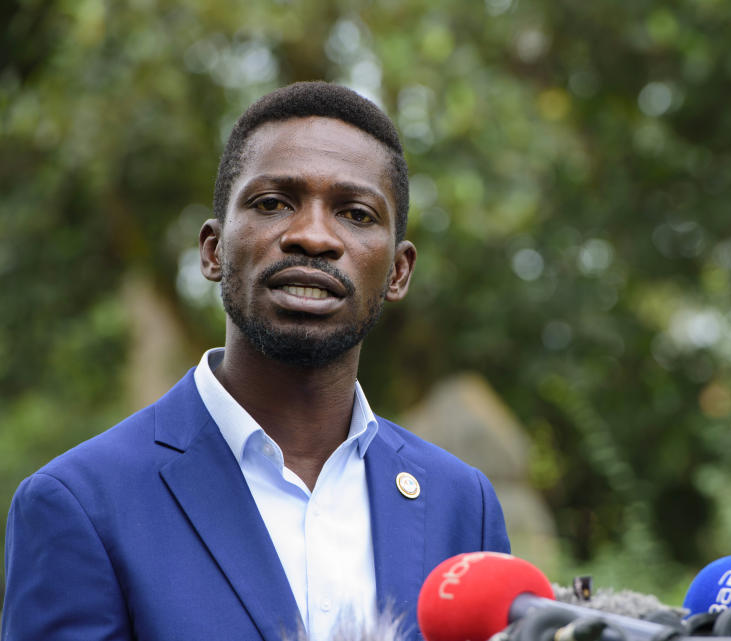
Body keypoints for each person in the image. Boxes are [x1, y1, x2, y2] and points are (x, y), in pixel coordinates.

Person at [1, 81, 510, 641]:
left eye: (356, 213)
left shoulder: (462, 505)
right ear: (214, 250)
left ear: (398, 272)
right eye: (273, 203)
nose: (313, 237)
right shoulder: (79, 504)